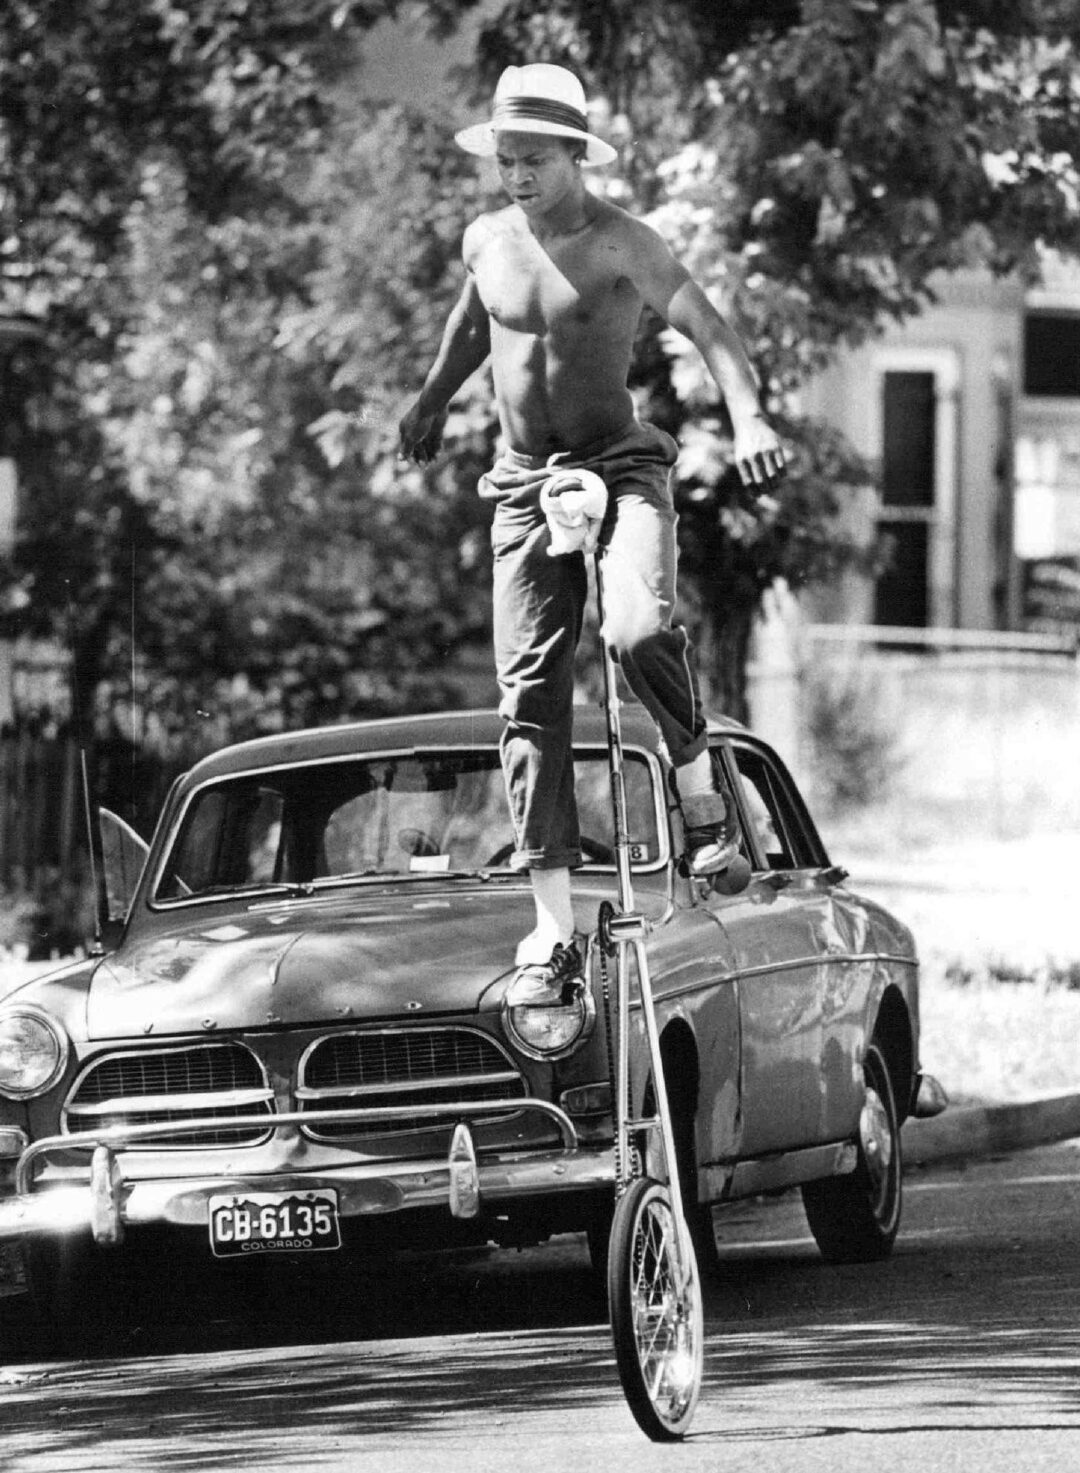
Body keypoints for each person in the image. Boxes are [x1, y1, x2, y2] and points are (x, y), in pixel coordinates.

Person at [399, 63, 786, 993]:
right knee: (528, 690)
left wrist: (750, 418)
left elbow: (711, 330)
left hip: (621, 468)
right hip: (524, 481)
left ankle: (700, 794)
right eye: (506, 159)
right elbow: (469, 325)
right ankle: (550, 923)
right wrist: (427, 402)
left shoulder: (624, 243)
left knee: (635, 631)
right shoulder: (485, 237)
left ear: (576, 154)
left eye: (535, 159)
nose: (518, 175)